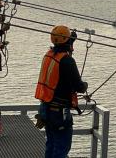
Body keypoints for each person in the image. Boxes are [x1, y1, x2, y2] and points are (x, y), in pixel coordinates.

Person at [35, 25, 88, 158]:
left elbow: (59, 73)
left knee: (51, 144)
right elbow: (79, 86)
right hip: (60, 113)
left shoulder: (49, 55)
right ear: (67, 41)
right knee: (62, 148)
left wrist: (71, 40)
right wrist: (85, 85)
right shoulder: (67, 60)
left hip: (47, 108)